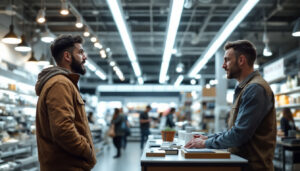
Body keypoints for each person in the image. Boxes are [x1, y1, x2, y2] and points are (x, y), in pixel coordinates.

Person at [185, 40, 276, 171]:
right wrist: (208, 137)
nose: (223, 65)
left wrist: (205, 143)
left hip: (254, 167)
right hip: (244, 165)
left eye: (227, 60)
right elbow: (234, 129)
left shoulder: (255, 89)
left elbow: (239, 134)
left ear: (241, 60)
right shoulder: (245, 88)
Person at [35, 35, 96, 170]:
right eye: (80, 52)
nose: (84, 57)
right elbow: (63, 130)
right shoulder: (60, 84)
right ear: (67, 56)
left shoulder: (64, 83)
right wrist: (87, 150)